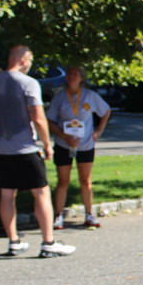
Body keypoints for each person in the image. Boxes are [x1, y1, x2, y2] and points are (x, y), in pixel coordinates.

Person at [0, 45, 75, 258]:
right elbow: (38, 116)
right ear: (24, 60)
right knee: (41, 192)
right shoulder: (28, 83)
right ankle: (48, 242)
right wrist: (47, 144)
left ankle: (14, 242)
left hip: (0, 148)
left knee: (7, 193)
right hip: (24, 147)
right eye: (30, 62)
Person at [46, 66, 111, 229]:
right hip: (63, 144)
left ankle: (89, 214)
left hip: (85, 144)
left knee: (85, 180)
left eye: (75, 74)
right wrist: (64, 136)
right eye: (69, 73)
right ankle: (58, 215)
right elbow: (50, 120)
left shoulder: (90, 96)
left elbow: (106, 111)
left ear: (82, 78)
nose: (71, 76)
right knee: (63, 181)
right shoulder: (60, 97)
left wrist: (98, 131)